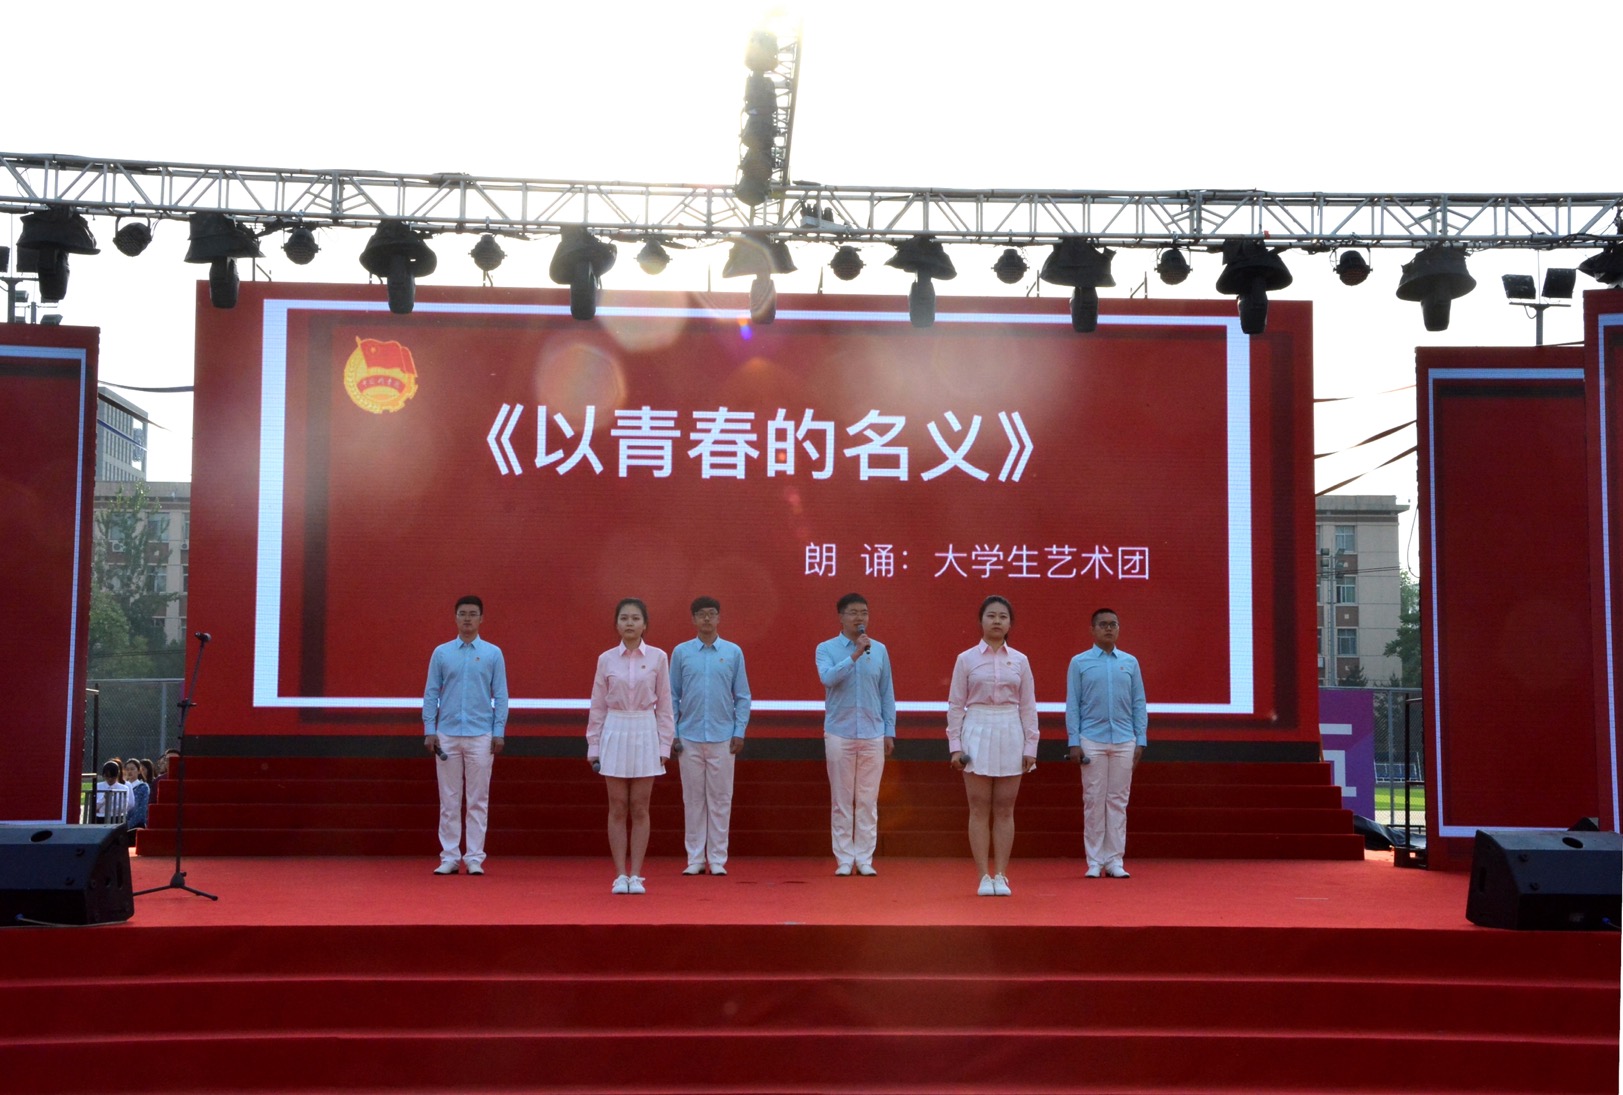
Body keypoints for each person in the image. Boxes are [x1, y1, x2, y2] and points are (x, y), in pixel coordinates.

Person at [947, 596, 1039, 896]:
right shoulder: (966, 659)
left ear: (1010, 623)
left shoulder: (1021, 660)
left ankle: (1001, 874)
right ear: (981, 621)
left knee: (1004, 808)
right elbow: (956, 705)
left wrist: (1031, 746)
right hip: (977, 728)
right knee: (978, 807)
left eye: (1003, 616)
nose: (997, 621)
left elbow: (1028, 706)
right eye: (991, 616)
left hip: (1010, 729)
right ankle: (983, 876)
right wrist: (955, 746)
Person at [587, 598, 674, 895]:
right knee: (617, 806)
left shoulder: (659, 657)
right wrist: (594, 746)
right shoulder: (606, 659)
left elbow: (665, 705)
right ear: (616, 624)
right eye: (624, 618)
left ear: (644, 624)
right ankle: (619, 875)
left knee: (639, 806)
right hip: (615, 728)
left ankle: (636, 874)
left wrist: (664, 745)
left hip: (645, 729)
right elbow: (598, 705)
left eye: (635, 618)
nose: (629, 623)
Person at [422, 595, 509, 876]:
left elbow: (501, 695)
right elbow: (431, 693)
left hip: (481, 734)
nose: (467, 619)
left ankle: (474, 857)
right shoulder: (442, 653)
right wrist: (429, 729)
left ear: (481, 618)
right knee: (449, 799)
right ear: (455, 617)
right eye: (463, 614)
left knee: (477, 799)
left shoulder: (493, 653)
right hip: (447, 734)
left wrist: (498, 732)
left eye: (473, 614)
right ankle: (449, 857)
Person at [670, 596, 751, 876]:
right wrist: (674, 733)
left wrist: (739, 731)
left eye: (712, 613)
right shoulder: (681, 652)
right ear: (693, 619)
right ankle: (695, 859)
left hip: (723, 737)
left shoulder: (733, 652)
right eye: (701, 614)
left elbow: (742, 696)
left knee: (721, 800)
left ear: (719, 618)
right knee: (693, 800)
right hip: (689, 737)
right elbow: (672, 695)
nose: (707, 618)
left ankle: (717, 859)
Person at [815, 592, 895, 876]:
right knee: (842, 799)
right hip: (840, 732)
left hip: (873, 732)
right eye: (853, 612)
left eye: (864, 612)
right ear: (841, 617)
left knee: (867, 799)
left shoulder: (880, 650)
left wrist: (889, 730)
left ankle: (864, 858)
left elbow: (886, 692)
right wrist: (855, 655)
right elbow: (828, 679)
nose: (860, 617)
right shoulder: (826, 648)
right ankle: (844, 859)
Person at [1065, 607, 1148, 879]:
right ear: (1093, 630)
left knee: (1118, 801)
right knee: (1093, 800)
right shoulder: (1079, 662)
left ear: (1119, 629)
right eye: (1103, 624)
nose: (1109, 628)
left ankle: (1114, 861)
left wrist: (1141, 739)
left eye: (1113, 624)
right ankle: (1094, 861)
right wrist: (1074, 741)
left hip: (1125, 739)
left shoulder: (1130, 662)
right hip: (1091, 739)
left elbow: (1139, 703)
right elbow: (1073, 705)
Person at [121, 758, 150, 828]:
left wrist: (128, 825)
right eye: (127, 769)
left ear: (139, 771)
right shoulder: (122, 786)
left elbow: (142, 809)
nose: (129, 771)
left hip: (137, 825)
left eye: (132, 769)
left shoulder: (143, 787)